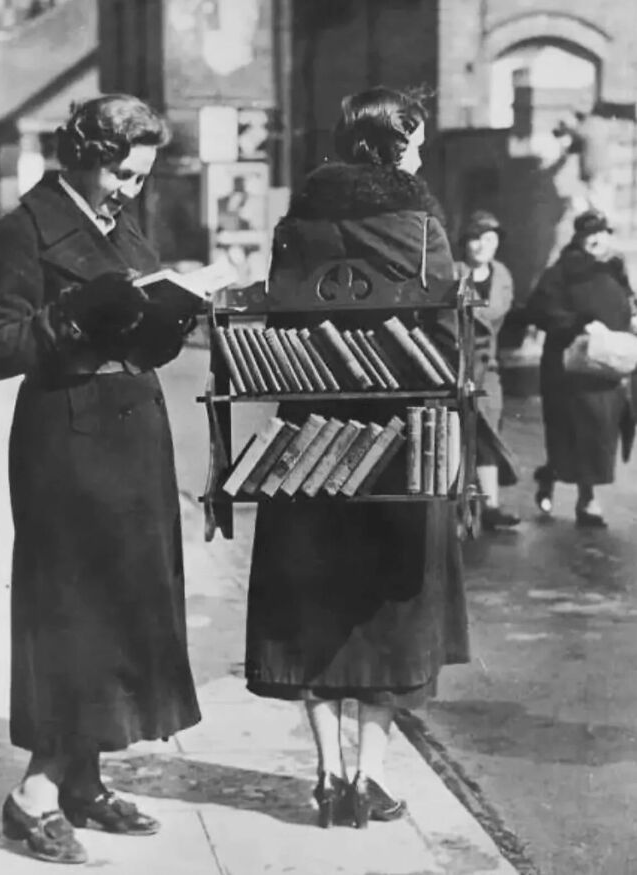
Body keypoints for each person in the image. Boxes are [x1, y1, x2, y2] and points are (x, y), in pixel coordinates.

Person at [0, 95, 201, 864]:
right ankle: (33, 792)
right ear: (83, 155)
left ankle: (85, 778)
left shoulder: (120, 223)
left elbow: (133, 314)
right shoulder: (22, 230)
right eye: (122, 174)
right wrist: (71, 313)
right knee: (71, 611)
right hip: (66, 444)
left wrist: (165, 324)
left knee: (127, 603)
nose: (130, 190)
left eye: (140, 177)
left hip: (133, 435)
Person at [244, 86, 469, 829]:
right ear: (396, 143)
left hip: (309, 441)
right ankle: (368, 777)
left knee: (313, 606)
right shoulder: (419, 222)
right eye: (419, 140)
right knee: (393, 613)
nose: (424, 152)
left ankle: (327, 774)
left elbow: (278, 306)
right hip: (400, 441)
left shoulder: (300, 218)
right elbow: (445, 329)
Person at [526, 209, 636, 527]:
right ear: (578, 238)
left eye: (601, 233)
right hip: (569, 367)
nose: (597, 239)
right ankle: (573, 492)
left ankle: (570, 487)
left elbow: (628, 301)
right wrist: (578, 323)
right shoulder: (560, 271)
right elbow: (540, 309)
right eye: (590, 234)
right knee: (573, 432)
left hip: (606, 366)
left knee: (600, 432)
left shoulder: (614, 267)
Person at [457, 210, 520, 532]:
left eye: (489, 239)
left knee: (489, 435)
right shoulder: (455, 272)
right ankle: (460, 505)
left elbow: (496, 314)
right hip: (457, 365)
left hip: (488, 368)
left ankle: (491, 504)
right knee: (459, 434)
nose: (482, 245)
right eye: (475, 238)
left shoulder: (502, 275)